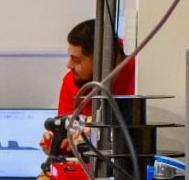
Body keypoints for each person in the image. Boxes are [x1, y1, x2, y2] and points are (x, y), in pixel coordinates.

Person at [47, 19, 135, 154]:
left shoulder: (139, 74)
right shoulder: (72, 81)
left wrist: (98, 125)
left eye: (76, 59)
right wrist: (55, 145)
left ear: (102, 59)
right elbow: (68, 141)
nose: (68, 65)